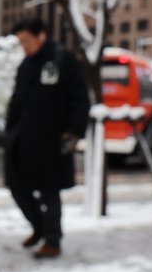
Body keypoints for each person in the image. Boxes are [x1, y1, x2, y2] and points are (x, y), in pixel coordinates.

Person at [5, 17, 91, 258]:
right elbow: (17, 99)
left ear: (41, 35)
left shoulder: (62, 59)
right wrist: (10, 127)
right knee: (16, 186)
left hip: (51, 138)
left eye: (26, 40)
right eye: (20, 42)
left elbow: (80, 98)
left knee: (48, 190)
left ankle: (52, 240)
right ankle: (39, 226)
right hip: (22, 137)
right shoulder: (26, 64)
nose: (24, 46)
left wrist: (74, 132)